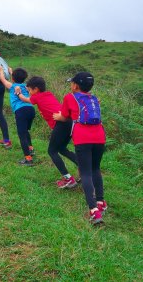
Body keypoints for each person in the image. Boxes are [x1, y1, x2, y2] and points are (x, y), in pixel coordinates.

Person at [7, 73, 79, 188]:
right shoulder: (48, 94)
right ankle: (83, 168)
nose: (29, 91)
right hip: (69, 122)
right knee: (62, 149)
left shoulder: (36, 96)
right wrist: (23, 87)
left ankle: (68, 178)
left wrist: (18, 92)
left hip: (60, 124)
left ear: (36, 89)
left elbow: (25, 99)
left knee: (52, 151)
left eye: (30, 90)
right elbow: (29, 90)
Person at [53, 72, 107, 224]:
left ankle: (93, 211)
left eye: (72, 83)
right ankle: (101, 203)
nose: (70, 85)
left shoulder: (70, 97)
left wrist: (58, 117)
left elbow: (64, 116)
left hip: (83, 138)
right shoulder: (94, 98)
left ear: (76, 85)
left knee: (85, 173)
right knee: (95, 169)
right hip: (99, 137)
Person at [0, 66, 35, 165]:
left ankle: (28, 159)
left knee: (21, 134)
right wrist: (11, 72)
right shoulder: (26, 86)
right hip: (31, 109)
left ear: (13, 78)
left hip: (21, 111)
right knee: (25, 131)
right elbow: (17, 78)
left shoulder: (12, 86)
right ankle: (30, 149)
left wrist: (1, 71)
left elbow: (2, 79)